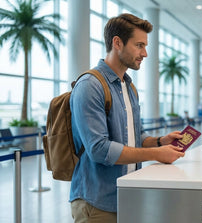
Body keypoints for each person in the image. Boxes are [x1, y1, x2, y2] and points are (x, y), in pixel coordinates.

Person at [69, 13, 185, 223]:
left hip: (128, 195)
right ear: (117, 43)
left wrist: (159, 142)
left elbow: (134, 135)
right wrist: (156, 154)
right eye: (139, 45)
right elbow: (99, 150)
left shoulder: (128, 86)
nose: (145, 53)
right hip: (97, 203)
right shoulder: (90, 85)